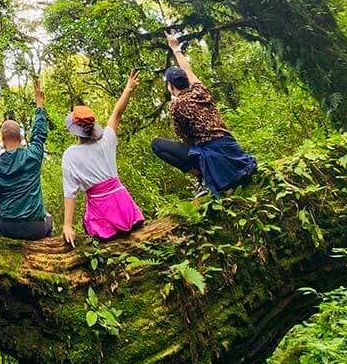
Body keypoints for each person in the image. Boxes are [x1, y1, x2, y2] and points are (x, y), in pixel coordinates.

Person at [150, 33, 257, 197]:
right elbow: (187, 69)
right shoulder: (201, 91)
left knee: (157, 145)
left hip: (210, 152)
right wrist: (175, 48)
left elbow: (184, 138)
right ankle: (211, 175)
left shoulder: (177, 105)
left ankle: (202, 178)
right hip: (231, 148)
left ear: (171, 86)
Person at [60, 70, 145, 248]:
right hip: (124, 207)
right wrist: (128, 89)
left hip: (102, 213)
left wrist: (67, 225)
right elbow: (116, 114)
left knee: (97, 237)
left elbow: (71, 193)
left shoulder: (70, 155)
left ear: (74, 130)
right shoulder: (106, 139)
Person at [0, 77, 53, 240]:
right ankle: (45, 245)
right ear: (22, 137)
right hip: (36, 228)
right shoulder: (33, 155)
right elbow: (39, 135)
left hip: (7, 227)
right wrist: (39, 105)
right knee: (48, 217)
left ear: (2, 139)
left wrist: (0, 207)